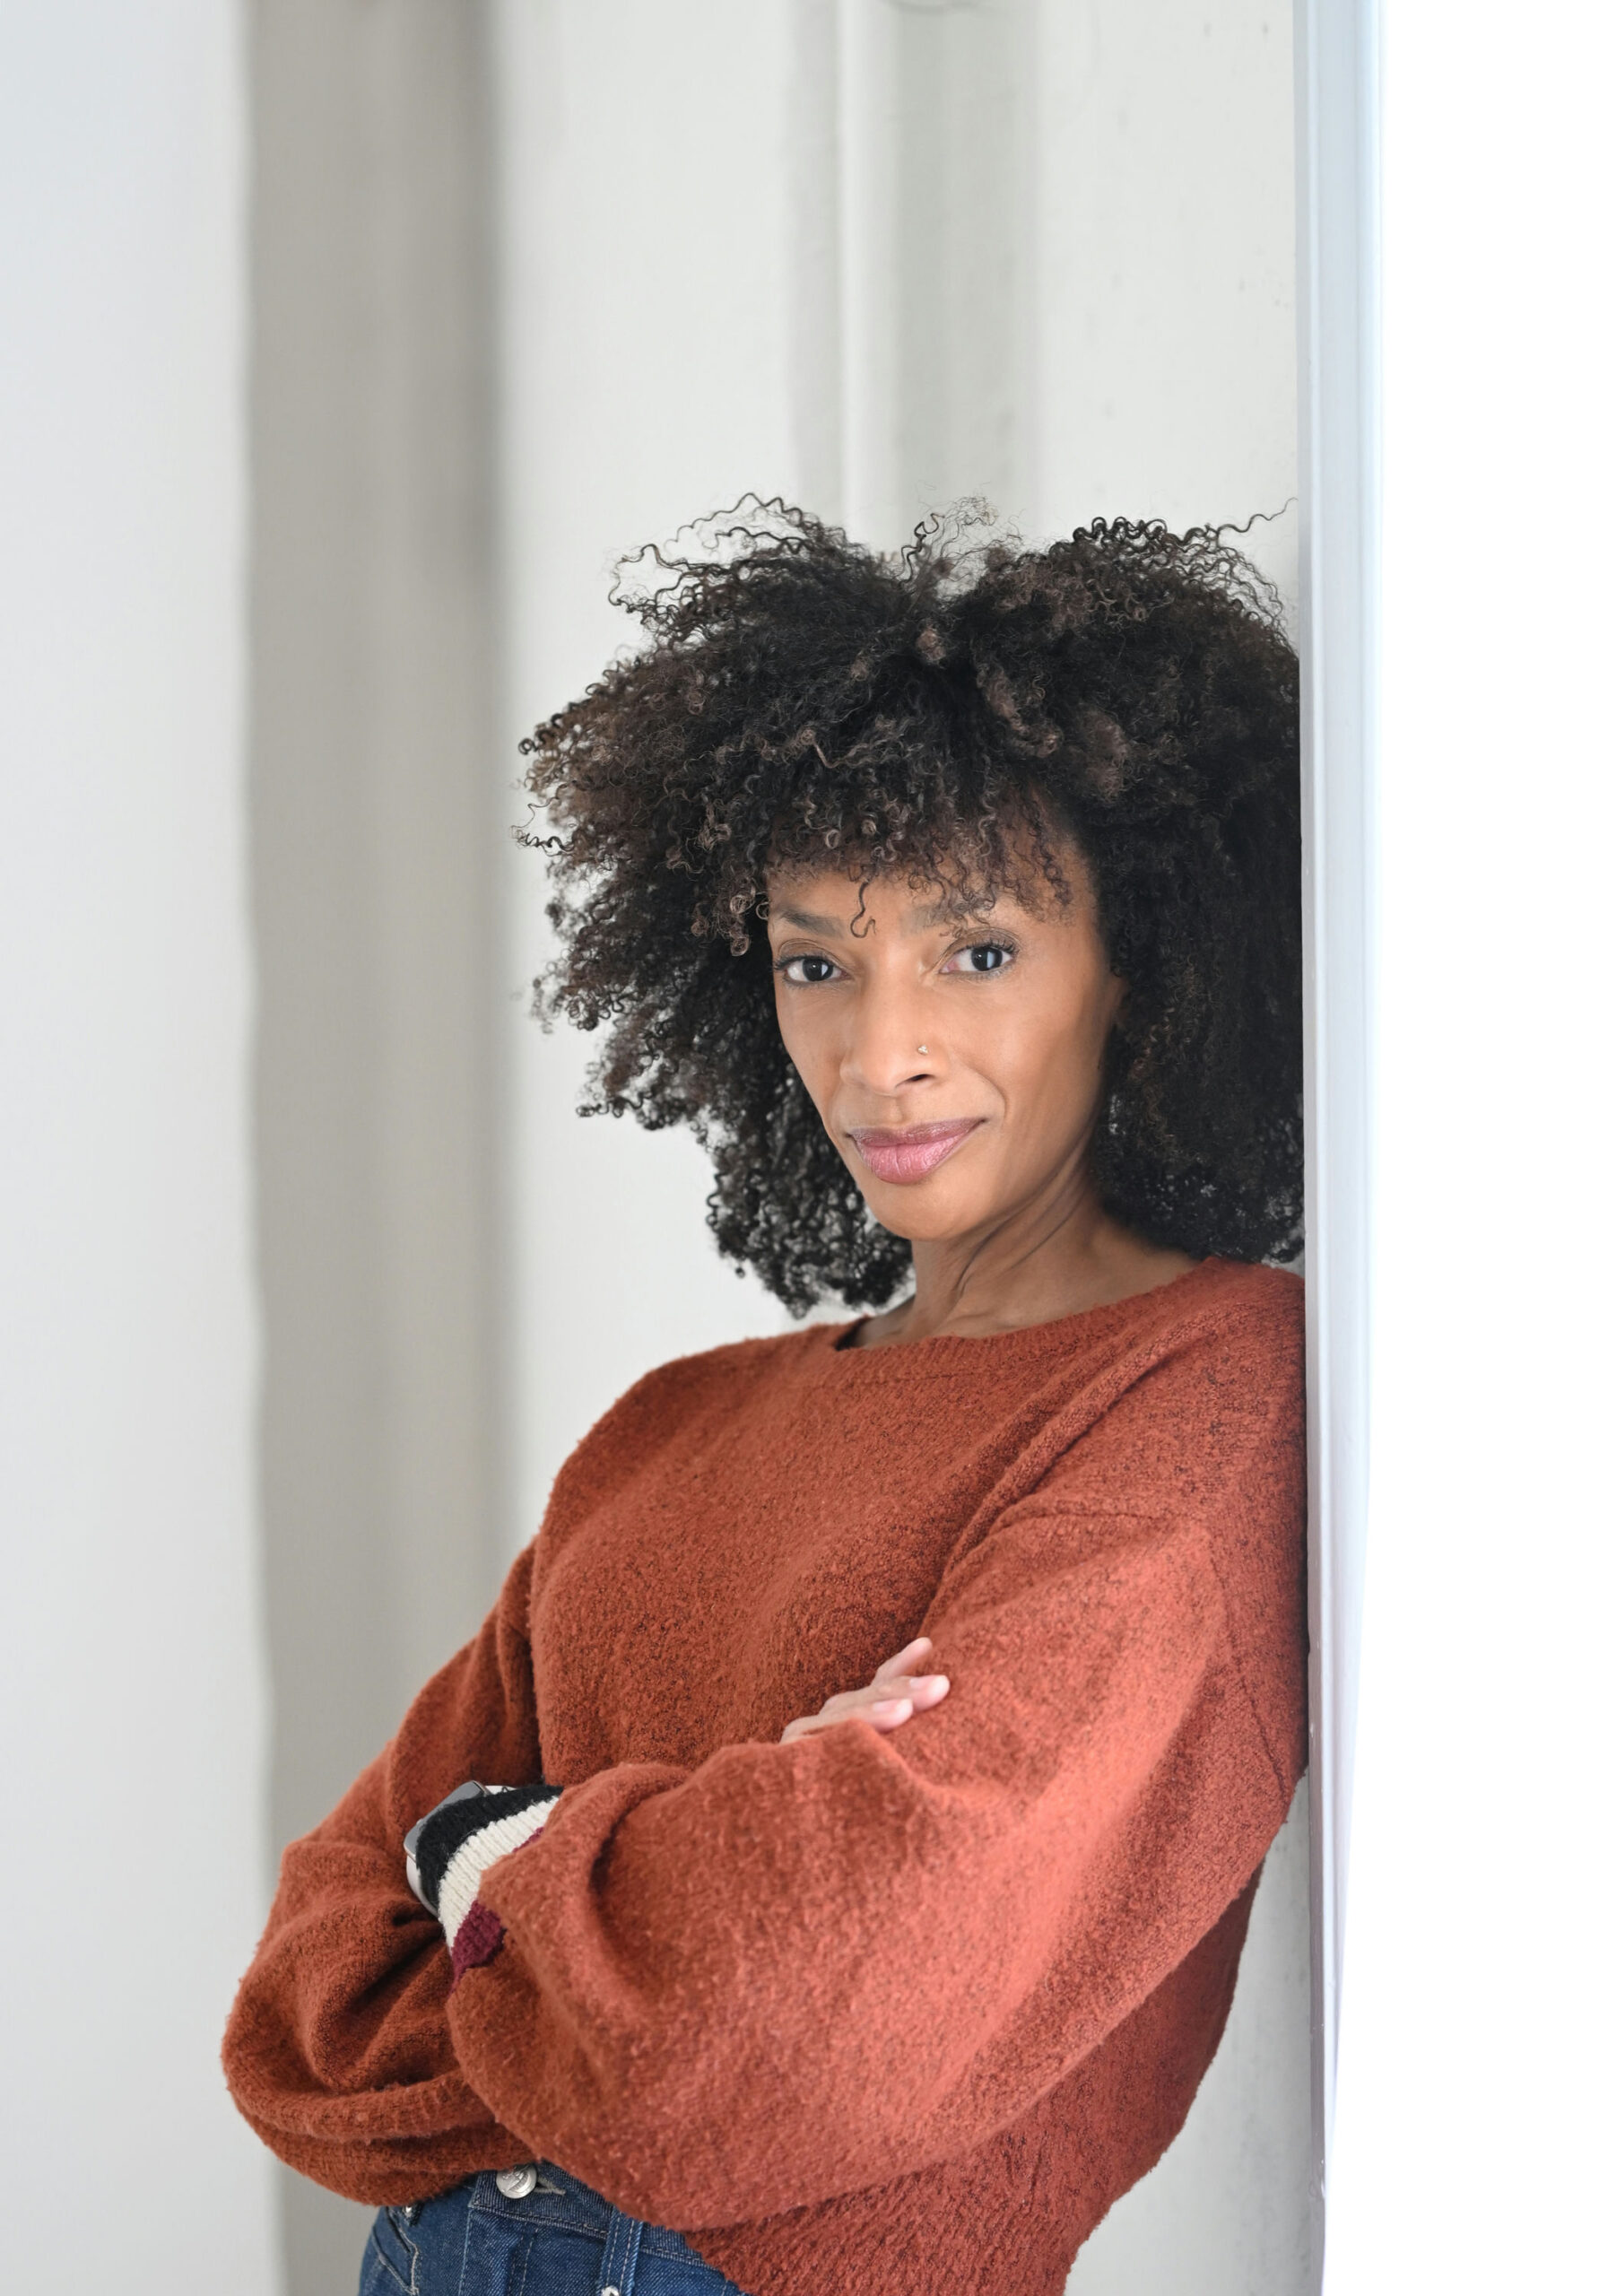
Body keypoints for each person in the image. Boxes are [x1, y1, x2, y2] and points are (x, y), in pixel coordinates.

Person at [224, 507, 1307, 2296]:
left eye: (974, 951)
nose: (878, 1052)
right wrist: (705, 1847)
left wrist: (490, 1858)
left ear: (1137, 958)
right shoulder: (669, 1432)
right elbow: (311, 2008)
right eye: (816, 960)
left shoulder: (1199, 1392)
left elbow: (821, 1996)